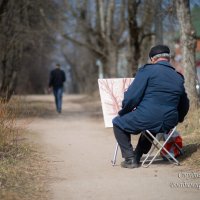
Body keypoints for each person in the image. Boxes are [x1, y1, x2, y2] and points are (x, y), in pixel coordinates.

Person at [112, 44, 189, 169]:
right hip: (169, 121)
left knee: (118, 123)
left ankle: (130, 159)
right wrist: (178, 119)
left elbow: (132, 97)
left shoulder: (147, 71)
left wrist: (124, 111)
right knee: (151, 127)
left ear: (152, 59)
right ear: (168, 59)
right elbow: (184, 104)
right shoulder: (178, 77)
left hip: (148, 117)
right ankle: (137, 155)